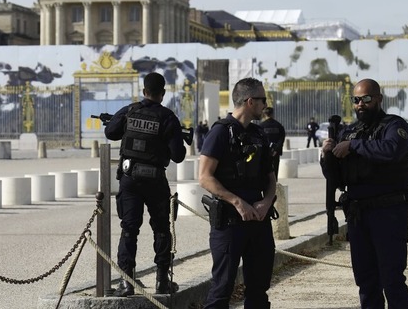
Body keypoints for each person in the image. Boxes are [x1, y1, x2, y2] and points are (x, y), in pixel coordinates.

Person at [320, 78, 408, 308]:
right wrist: (327, 156)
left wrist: (354, 146)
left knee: (392, 279)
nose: (361, 104)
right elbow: (337, 178)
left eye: (366, 99)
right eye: (356, 100)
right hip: (359, 214)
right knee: (366, 281)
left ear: (379, 99)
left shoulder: (393, 125)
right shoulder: (350, 131)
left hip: (388, 213)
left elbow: (392, 151)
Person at [104, 72, 187, 297]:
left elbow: (110, 132)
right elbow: (178, 155)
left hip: (130, 179)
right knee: (161, 230)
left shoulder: (130, 111)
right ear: (163, 93)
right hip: (155, 181)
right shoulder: (168, 117)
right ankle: (162, 281)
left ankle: (126, 282)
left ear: (144, 91)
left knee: (129, 230)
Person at [199, 77, 277, 308]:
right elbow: (205, 177)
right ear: (250, 101)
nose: (265, 105)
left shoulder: (259, 134)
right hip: (230, 223)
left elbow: (271, 178)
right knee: (222, 289)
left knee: (259, 290)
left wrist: (266, 200)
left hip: (259, 222)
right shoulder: (220, 133)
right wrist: (237, 201)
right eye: (263, 100)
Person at [258, 107, 286, 180]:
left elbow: (259, 140)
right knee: (275, 170)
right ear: (273, 114)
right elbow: (281, 139)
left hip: (265, 152)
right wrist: (276, 150)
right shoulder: (279, 126)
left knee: (264, 171)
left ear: (264, 114)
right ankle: (274, 185)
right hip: (275, 153)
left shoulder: (261, 126)